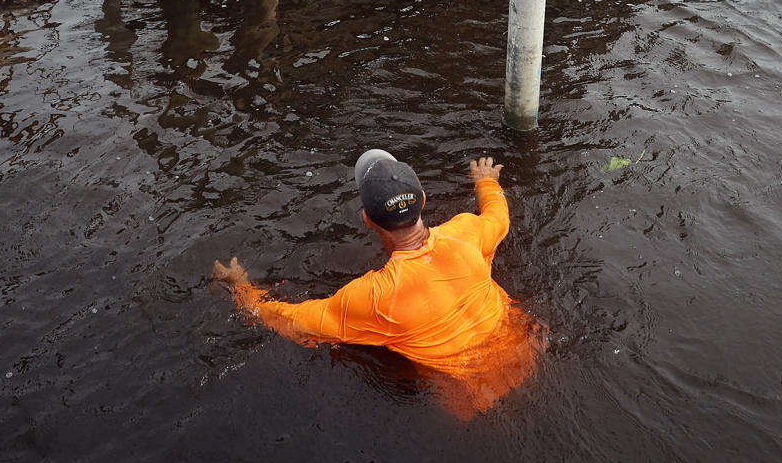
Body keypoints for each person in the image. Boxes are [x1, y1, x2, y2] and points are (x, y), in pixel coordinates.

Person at [212, 151, 540, 418]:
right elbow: (498, 218)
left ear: (367, 219)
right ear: (423, 200)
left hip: (471, 400)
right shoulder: (467, 233)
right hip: (531, 353)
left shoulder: (374, 298)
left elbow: (290, 321)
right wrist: (486, 183)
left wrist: (241, 288)